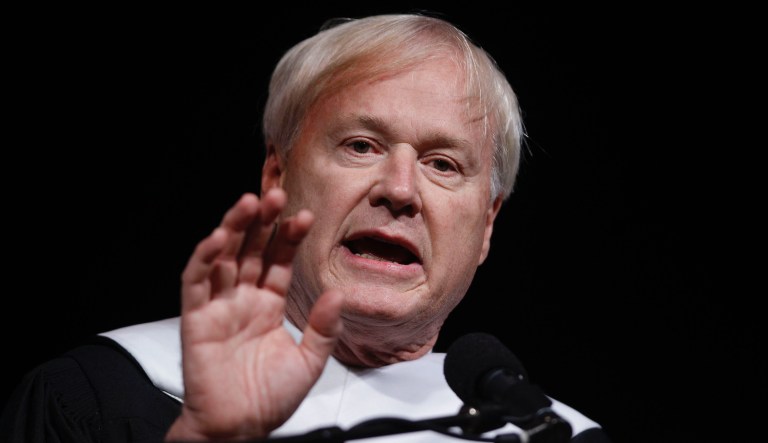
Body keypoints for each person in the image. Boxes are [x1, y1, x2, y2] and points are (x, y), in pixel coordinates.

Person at [1, 13, 612, 443]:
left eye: (442, 164)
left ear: (486, 225)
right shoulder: (99, 397)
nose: (399, 190)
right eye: (361, 145)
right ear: (277, 175)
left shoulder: (553, 436)